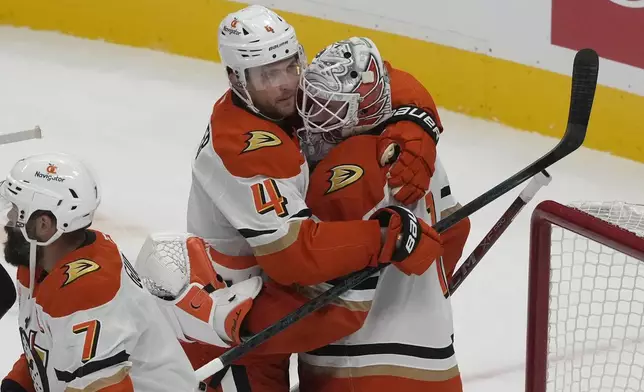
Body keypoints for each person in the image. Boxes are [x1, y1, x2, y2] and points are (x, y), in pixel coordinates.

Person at [186, 4, 440, 288]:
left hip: (278, 258)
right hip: (239, 287)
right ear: (236, 78)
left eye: (291, 66)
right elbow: (293, 256)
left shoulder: (272, 98)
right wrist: (385, 238)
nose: (286, 85)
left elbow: (376, 80)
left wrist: (417, 128)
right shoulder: (243, 148)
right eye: (267, 75)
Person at [293, 36, 471, 391]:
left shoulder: (345, 167)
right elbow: (456, 229)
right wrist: (422, 295)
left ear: (365, 107)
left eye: (331, 109)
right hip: (436, 358)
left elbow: (307, 270)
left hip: (356, 369)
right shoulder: (418, 152)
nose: (316, 121)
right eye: (313, 104)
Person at [0, 153, 197, 392]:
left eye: (16, 210)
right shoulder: (39, 265)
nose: (9, 219)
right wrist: (16, 385)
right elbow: (48, 348)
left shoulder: (89, 293)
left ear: (44, 224)